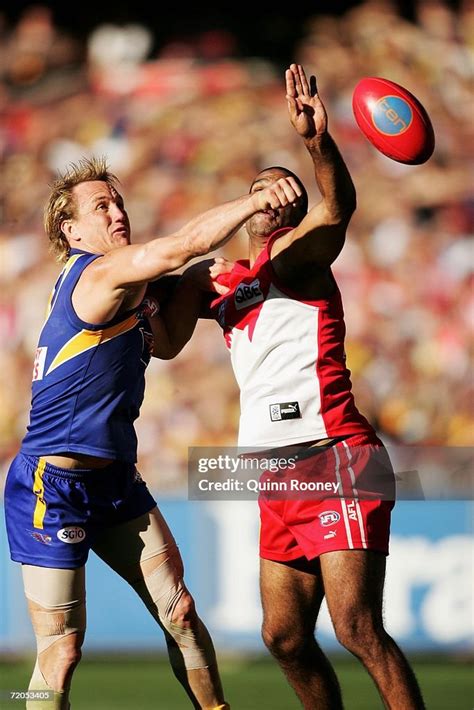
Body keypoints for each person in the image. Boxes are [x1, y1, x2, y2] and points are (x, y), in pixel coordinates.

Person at [162, 63, 427, 709]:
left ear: (295, 206)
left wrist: (315, 145)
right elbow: (163, 333)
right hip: (278, 472)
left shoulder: (301, 258)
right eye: (257, 187)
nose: (268, 194)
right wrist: (188, 278)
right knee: (282, 636)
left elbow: (339, 206)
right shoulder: (231, 283)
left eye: (280, 187)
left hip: (333, 452)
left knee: (357, 628)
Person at [3, 156, 302, 710]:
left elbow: (165, 342)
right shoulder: (98, 272)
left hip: (116, 482)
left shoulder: (129, 290)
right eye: (101, 206)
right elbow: (181, 244)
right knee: (60, 654)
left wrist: (188, 284)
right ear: (70, 231)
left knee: (181, 613)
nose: (117, 211)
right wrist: (257, 203)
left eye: (118, 202)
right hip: (52, 487)